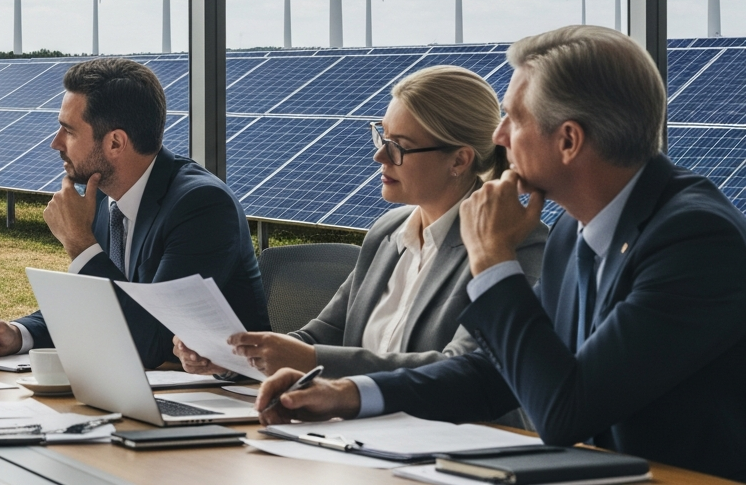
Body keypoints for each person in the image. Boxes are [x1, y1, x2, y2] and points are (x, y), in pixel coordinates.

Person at [257, 26, 746, 482]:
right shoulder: (577, 231)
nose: (497, 137)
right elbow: (492, 372)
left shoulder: (695, 239)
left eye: (514, 118)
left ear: (569, 140)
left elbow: (567, 411)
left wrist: (492, 256)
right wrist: (347, 394)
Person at [174, 66, 547, 380]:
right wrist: (232, 356)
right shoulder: (388, 232)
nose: (379, 154)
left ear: (459, 161)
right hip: (355, 434)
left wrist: (314, 362)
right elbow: (326, 334)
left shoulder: (512, 245)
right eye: (381, 135)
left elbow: (463, 370)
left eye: (398, 145)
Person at [0, 58, 268, 368]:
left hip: (227, 400)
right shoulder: (107, 200)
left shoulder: (201, 207)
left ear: (115, 142)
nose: (55, 143)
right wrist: (19, 333)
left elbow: (147, 341)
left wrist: (80, 244)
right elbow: (95, 305)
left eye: (68, 131)